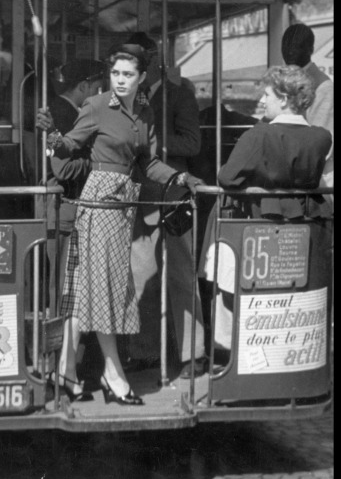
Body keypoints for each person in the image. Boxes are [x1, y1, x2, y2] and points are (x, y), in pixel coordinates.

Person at [36, 44, 204, 406]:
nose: (121, 80)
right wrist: (51, 137)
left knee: (90, 292)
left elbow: (149, 164)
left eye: (128, 74)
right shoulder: (96, 106)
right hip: (98, 203)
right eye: (116, 74)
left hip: (123, 205)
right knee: (106, 290)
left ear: (142, 76)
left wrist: (180, 177)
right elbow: (68, 147)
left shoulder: (144, 114)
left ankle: (65, 371)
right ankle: (114, 376)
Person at [200, 65, 332, 353]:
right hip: (304, 227)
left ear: (284, 99)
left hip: (259, 226)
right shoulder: (322, 138)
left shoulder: (258, 136)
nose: (262, 101)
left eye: (268, 95)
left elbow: (228, 177)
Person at [123, 33, 207, 379]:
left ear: (152, 59)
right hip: (141, 194)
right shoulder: (126, 98)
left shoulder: (180, 96)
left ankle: (194, 353)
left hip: (172, 195)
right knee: (140, 275)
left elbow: (192, 143)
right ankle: (144, 351)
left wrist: (150, 144)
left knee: (180, 273)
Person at [43, 58, 105, 395]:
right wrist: (102, 161)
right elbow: (63, 171)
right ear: (84, 87)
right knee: (65, 294)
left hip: (64, 211)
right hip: (65, 210)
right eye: (96, 89)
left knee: (65, 293)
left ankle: (62, 365)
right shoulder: (67, 115)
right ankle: (58, 367)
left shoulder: (58, 110)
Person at [281, 23, 334, 201]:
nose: (288, 51)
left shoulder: (323, 86)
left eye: (296, 46)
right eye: (285, 45)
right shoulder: (284, 78)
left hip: (315, 183)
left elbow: (322, 140)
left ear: (310, 49)